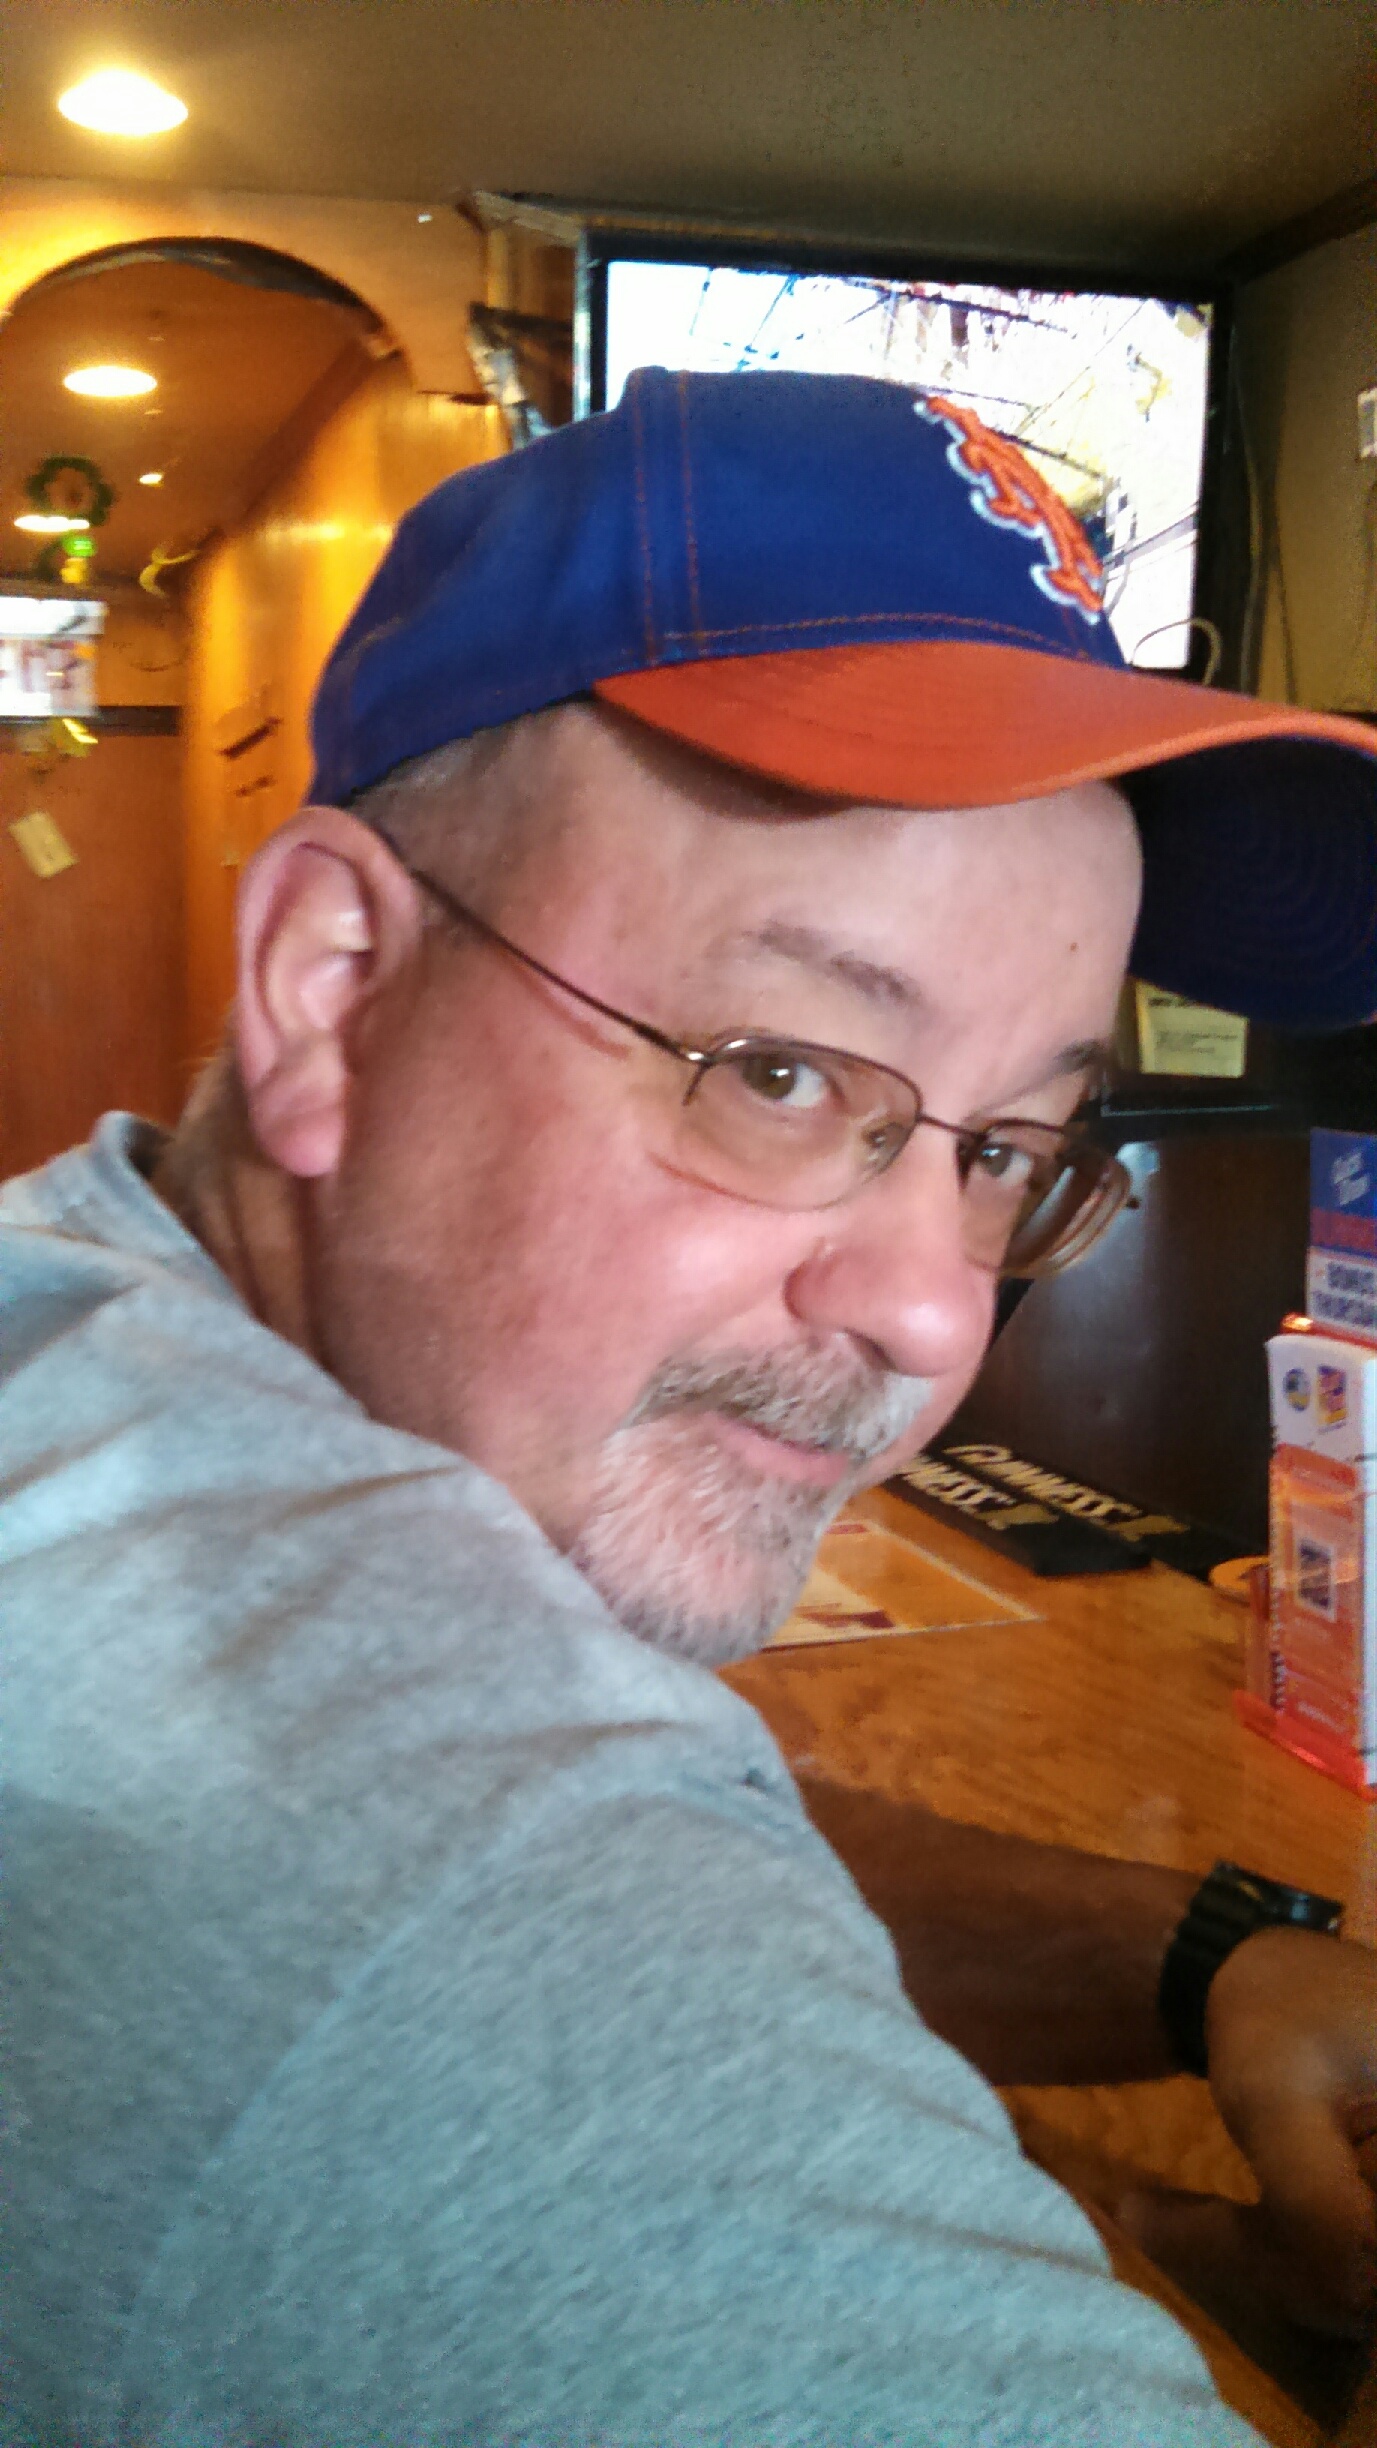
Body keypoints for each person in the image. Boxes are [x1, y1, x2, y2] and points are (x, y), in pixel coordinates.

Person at [4, 369, 1376, 2448]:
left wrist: (1202, 1963)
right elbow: (507, 1882)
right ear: (327, 989)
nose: (929, 1311)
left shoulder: (84, 1323)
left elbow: (655, 1837)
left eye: (1007, 1149)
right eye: (780, 1072)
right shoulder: (414, 1861)